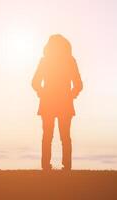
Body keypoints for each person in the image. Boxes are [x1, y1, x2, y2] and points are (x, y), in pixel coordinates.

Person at [32, 34, 83, 171]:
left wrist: (42, 92)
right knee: (63, 136)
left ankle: (47, 167)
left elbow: (35, 82)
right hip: (61, 103)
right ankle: (65, 167)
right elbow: (78, 85)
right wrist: (71, 95)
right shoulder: (68, 61)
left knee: (49, 136)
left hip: (51, 103)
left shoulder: (47, 61)